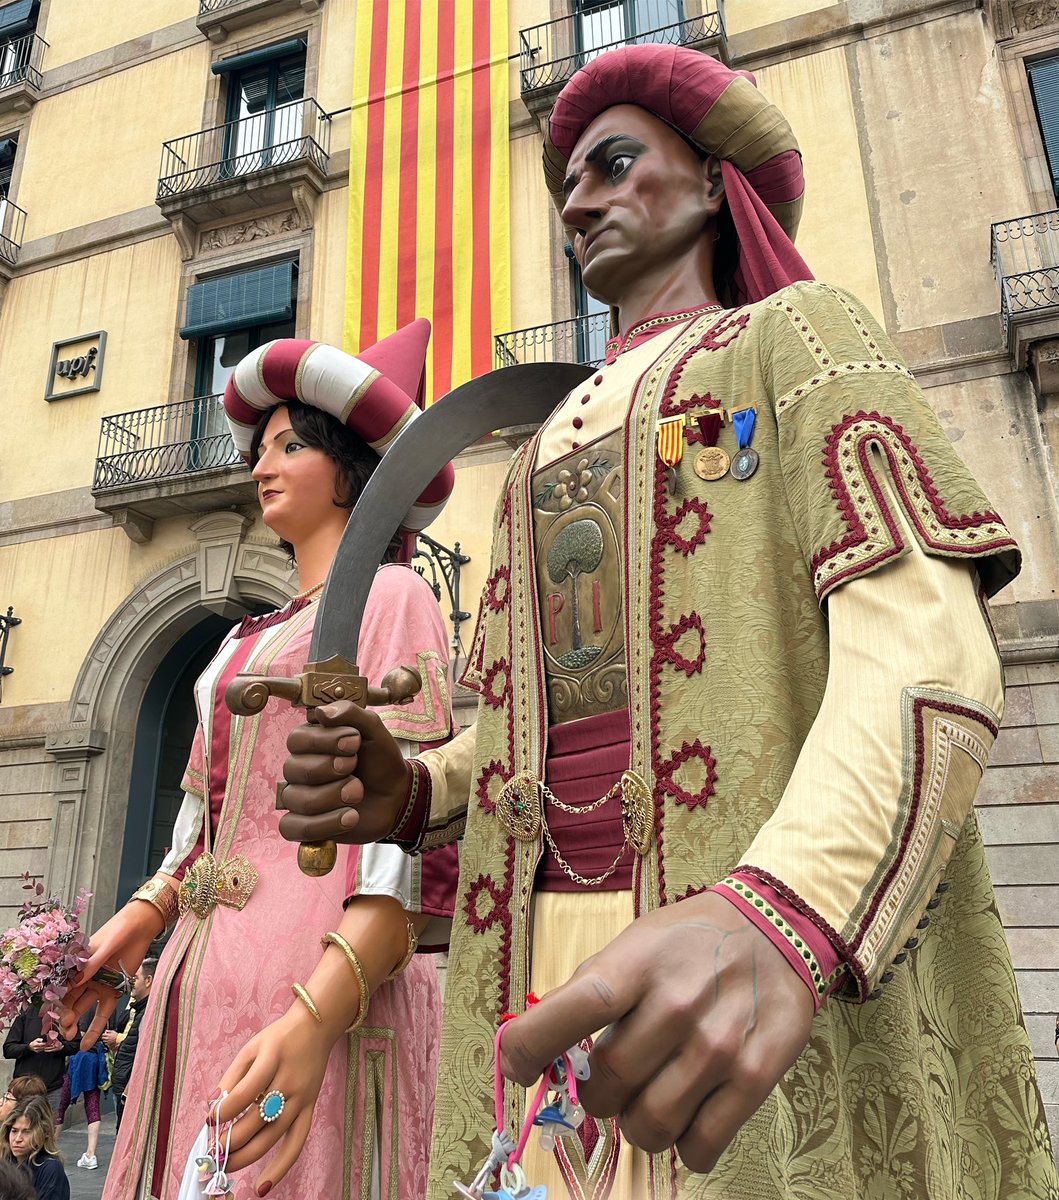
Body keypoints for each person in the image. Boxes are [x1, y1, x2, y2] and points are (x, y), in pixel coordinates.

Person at [276, 43, 1059, 1200]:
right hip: (535, 968)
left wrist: (789, 910)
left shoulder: (800, 342)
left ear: (710, 182)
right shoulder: (538, 449)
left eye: (613, 162)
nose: (578, 199)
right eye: (566, 185)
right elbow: (528, 729)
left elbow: (927, 651)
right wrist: (415, 790)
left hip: (742, 932)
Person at [59, 324, 460, 1199]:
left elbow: (404, 835)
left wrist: (319, 1011)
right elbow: (199, 830)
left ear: (351, 468)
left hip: (313, 985)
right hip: (202, 990)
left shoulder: (393, 598)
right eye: (262, 446)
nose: (261, 465)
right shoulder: (246, 636)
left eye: (290, 445)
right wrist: (135, 927)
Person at [100, 959, 152, 1134]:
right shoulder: (135, 1008)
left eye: (135, 978)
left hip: (130, 1092)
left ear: (149, 980)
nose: (131, 983)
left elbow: (143, 1051)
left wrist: (128, 1090)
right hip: (123, 1088)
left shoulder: (150, 1012)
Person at [54, 1009, 107, 1170]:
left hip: (80, 1059)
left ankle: (50, 1150)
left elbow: (82, 1035)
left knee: (61, 1105)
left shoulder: (88, 1008)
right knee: (92, 1106)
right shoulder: (104, 1006)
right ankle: (91, 1154)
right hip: (95, 1059)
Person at [2, 1014, 78, 1117]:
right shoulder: (27, 1014)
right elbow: (8, 1049)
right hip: (24, 1088)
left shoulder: (66, 1015)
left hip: (52, 1087)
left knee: (47, 1129)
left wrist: (61, 1047)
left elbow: (76, 1045)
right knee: (20, 1125)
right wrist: (28, 1047)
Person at [0, 1097, 68, 1200]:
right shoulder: (5, 1163)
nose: (18, 1139)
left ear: (42, 1133)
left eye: (26, 1132)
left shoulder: (50, 1168)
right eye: (14, 1131)